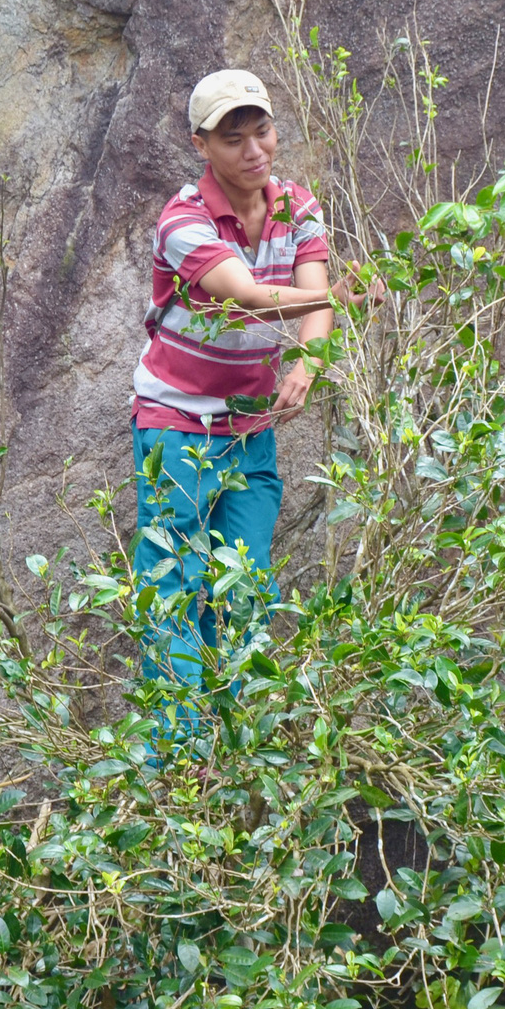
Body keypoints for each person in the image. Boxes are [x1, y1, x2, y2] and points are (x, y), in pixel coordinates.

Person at [130, 68, 363, 715]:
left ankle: (238, 744)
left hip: (248, 428)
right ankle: (177, 755)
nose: (254, 150)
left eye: (262, 131)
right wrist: (336, 296)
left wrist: (307, 367)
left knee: (245, 587)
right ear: (201, 144)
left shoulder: (298, 205)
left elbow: (315, 296)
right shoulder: (185, 219)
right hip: (174, 424)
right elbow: (253, 294)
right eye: (234, 139)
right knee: (174, 585)